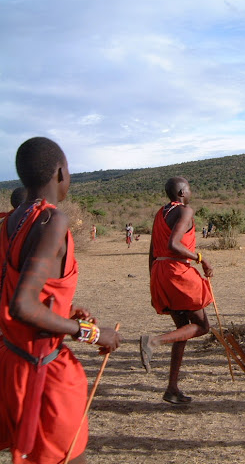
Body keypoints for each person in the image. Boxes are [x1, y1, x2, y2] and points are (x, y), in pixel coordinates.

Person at [0, 137, 121, 463]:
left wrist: (65, 310)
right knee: (68, 455)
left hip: (12, 361)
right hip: (41, 367)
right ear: (59, 172)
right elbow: (22, 306)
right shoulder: (52, 220)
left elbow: (16, 292)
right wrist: (94, 333)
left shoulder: (12, 220)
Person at [140, 177, 213, 404]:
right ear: (182, 192)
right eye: (190, 189)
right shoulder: (185, 211)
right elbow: (174, 244)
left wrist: (154, 281)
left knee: (183, 329)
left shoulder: (160, 213)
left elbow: (153, 252)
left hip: (160, 271)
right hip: (177, 271)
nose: (191, 193)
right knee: (202, 326)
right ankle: (153, 341)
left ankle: (172, 388)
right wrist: (201, 259)